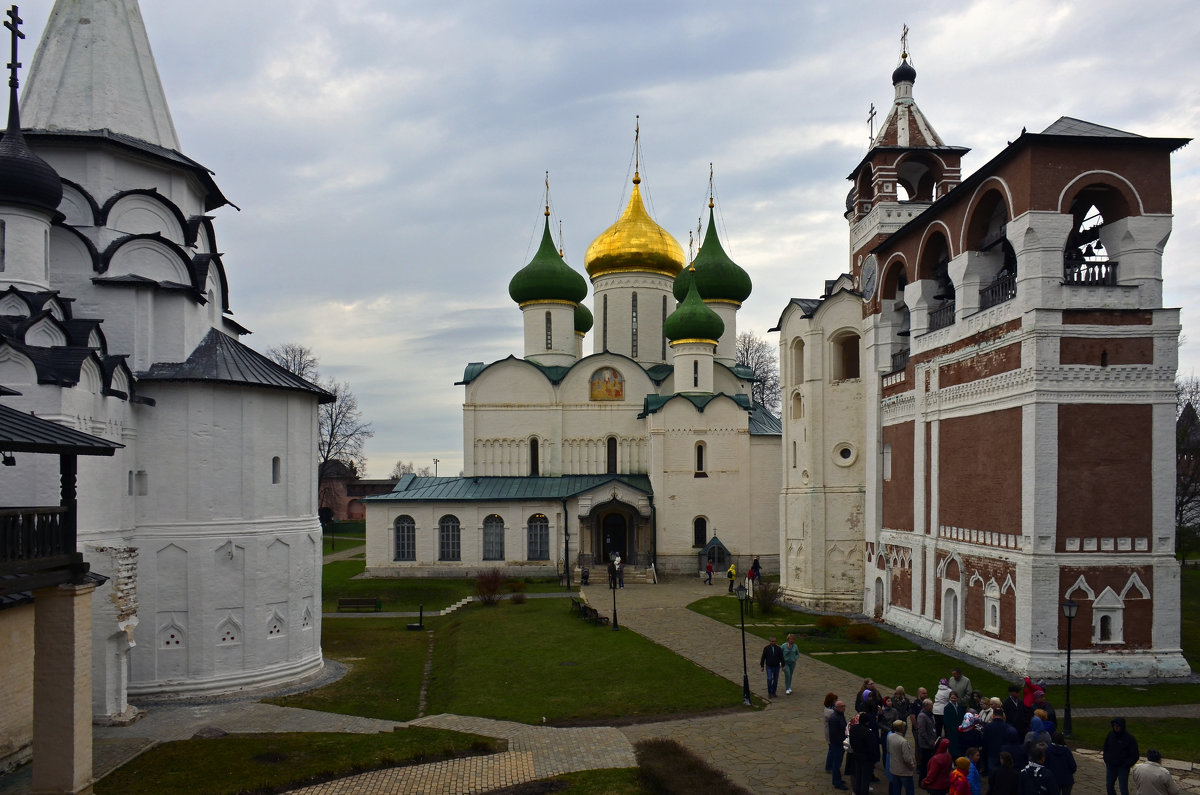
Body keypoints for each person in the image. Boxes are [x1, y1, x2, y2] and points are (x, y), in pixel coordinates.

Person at [1102, 717, 1139, 795]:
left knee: (1123, 788)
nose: (1116, 727)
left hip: (1123, 767)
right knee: (1109, 786)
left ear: (1122, 726)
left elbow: (1135, 755)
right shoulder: (1110, 735)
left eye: (1118, 726)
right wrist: (1106, 759)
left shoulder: (1129, 738)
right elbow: (1105, 747)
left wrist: (1126, 764)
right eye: (1114, 725)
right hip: (1111, 765)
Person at [849, 712, 880, 795]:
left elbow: (851, 741)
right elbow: (871, 747)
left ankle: (857, 792)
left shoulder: (853, 728)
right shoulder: (867, 732)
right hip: (866, 758)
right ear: (867, 722)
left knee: (858, 776)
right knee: (865, 779)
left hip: (856, 755)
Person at [983, 709, 1017, 776]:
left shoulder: (988, 727)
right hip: (1005, 754)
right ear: (1003, 716)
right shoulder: (1008, 727)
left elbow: (984, 742)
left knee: (992, 774)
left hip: (992, 753)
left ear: (993, 715)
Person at [887, 720, 917, 795]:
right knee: (909, 790)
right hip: (904, 771)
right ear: (902, 729)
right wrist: (912, 766)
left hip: (894, 769)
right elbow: (907, 759)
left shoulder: (890, 736)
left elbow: (888, 750)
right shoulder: (903, 742)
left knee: (896, 790)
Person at [828, 699, 849, 790]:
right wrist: (842, 742)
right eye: (842, 706)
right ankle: (837, 783)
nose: (844, 708)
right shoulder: (834, 718)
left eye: (844, 706)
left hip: (840, 743)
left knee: (838, 763)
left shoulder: (839, 715)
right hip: (837, 744)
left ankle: (837, 780)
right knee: (836, 764)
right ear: (836, 708)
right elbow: (834, 734)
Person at [917, 698, 938, 781]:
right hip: (925, 745)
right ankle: (922, 781)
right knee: (925, 764)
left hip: (930, 743)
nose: (932, 706)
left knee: (928, 764)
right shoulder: (922, 716)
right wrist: (930, 742)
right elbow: (922, 732)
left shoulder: (929, 714)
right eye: (931, 705)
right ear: (926, 706)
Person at [943, 692, 965, 758]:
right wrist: (952, 728)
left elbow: (961, 717)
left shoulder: (959, 706)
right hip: (952, 730)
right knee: (952, 745)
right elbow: (946, 721)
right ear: (949, 698)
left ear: (957, 698)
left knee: (958, 744)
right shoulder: (947, 707)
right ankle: (952, 759)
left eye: (955, 698)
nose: (953, 699)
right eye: (952, 698)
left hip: (960, 729)